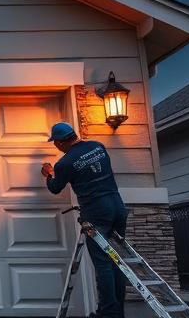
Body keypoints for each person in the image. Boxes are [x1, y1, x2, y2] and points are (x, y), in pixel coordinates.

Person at [42, 121, 128, 318]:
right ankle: (117, 312)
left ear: (61, 143)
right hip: (117, 206)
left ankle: (107, 313)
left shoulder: (64, 163)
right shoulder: (98, 147)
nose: (55, 145)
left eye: (55, 142)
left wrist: (48, 174)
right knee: (116, 260)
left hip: (97, 212)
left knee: (103, 263)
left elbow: (55, 187)